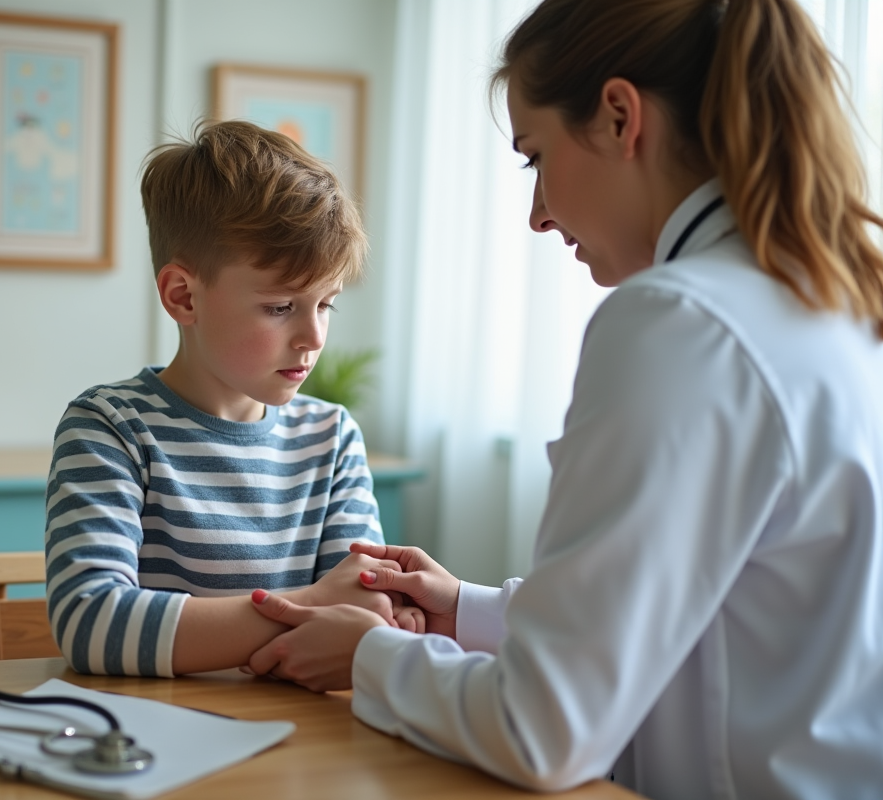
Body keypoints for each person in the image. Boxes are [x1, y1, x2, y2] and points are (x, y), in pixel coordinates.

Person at [241, 0, 883, 796]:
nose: (538, 215)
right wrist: (463, 610)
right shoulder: (839, 306)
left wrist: (369, 654)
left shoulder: (682, 323)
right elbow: (705, 612)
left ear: (619, 117)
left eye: (535, 157)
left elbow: (543, 730)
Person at [44, 120, 423, 679]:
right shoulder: (109, 428)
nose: (313, 337)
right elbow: (91, 624)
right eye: (280, 307)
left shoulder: (332, 438)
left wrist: (367, 614)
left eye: (326, 304)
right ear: (183, 296)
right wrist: (315, 607)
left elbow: (365, 605)